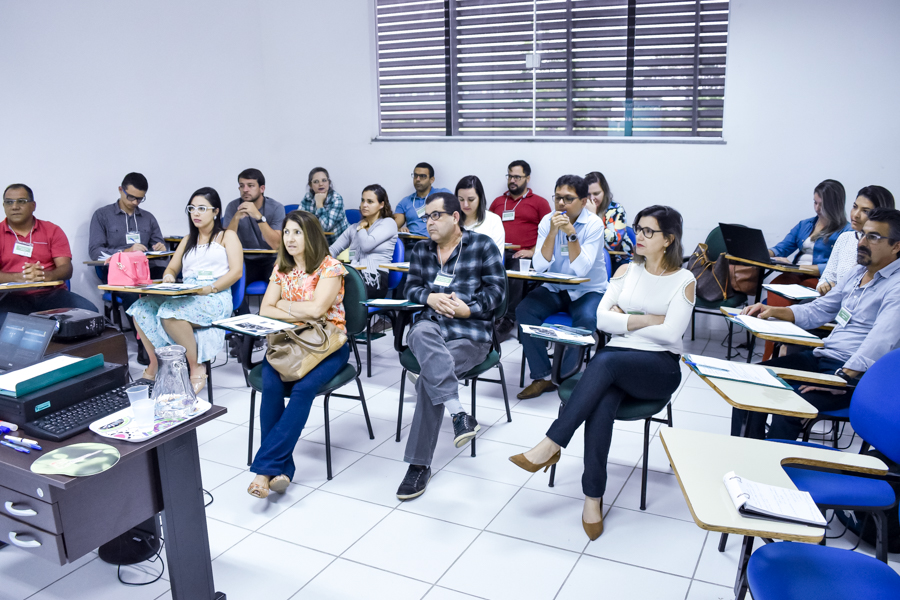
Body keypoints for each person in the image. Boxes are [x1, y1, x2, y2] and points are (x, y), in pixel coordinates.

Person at [509, 205, 695, 540]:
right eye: (638, 228)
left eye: (648, 231)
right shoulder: (627, 270)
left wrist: (626, 320)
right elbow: (600, 319)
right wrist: (649, 319)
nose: (638, 235)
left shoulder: (684, 280)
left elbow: (671, 336)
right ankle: (592, 498)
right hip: (619, 360)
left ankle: (551, 443)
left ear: (668, 240)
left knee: (604, 362)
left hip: (659, 367)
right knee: (603, 398)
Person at [732, 208, 900, 441]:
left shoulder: (897, 286)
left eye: (873, 237)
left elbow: (881, 341)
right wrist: (774, 310)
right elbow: (820, 309)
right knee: (749, 381)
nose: (862, 242)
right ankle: (746, 455)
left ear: (896, 246)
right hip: (824, 357)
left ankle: (771, 471)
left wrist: (842, 378)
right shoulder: (857, 273)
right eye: (862, 234)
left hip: (856, 377)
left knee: (787, 406)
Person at [395, 192, 505, 501]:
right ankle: (459, 413)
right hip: (431, 328)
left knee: (429, 379)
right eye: (425, 216)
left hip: (470, 333)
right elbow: (412, 287)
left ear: (455, 217)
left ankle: (418, 465)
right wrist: (429, 297)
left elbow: (498, 292)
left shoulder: (482, 246)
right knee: (418, 334)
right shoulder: (421, 250)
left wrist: (468, 309)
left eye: (434, 216)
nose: (427, 222)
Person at [247, 210, 350, 499]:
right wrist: (293, 308)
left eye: (297, 232)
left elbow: (319, 311)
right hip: (287, 344)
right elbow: (265, 309)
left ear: (311, 236)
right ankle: (282, 469)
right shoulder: (282, 267)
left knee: (304, 388)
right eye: (287, 232)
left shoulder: (330, 267)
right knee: (271, 384)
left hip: (327, 344)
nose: (290, 239)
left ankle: (263, 471)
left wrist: (284, 305)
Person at [128, 188, 243, 393]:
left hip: (215, 296)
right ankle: (155, 364)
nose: (196, 213)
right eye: (192, 208)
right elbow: (172, 267)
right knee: (140, 308)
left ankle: (195, 367)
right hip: (189, 294)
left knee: (169, 313)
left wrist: (210, 288)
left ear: (215, 211)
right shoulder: (188, 239)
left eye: (202, 208)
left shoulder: (227, 236)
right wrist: (169, 276)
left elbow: (235, 272)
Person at [516, 175, 609, 399]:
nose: (561, 204)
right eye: (557, 197)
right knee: (524, 311)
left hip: (589, 290)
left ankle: (566, 377)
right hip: (556, 288)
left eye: (568, 199)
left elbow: (581, 270)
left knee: (586, 320)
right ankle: (542, 377)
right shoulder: (548, 220)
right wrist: (552, 232)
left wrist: (570, 233)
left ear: (584, 200)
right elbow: (539, 266)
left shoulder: (594, 224)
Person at [763, 179, 851, 358]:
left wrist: (805, 267)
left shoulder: (846, 231)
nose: (817, 208)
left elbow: (842, 265)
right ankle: (774, 350)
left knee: (785, 301)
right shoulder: (805, 224)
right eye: (815, 202)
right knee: (775, 289)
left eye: (822, 204)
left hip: (821, 280)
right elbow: (782, 247)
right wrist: (766, 252)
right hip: (794, 274)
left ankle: (781, 351)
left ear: (834, 205)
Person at [88, 172, 167, 365]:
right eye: (131, 197)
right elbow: (95, 252)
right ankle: (145, 344)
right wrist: (127, 250)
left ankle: (166, 339)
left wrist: (160, 247)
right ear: (120, 190)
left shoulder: (148, 218)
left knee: (170, 283)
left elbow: (160, 243)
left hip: (146, 269)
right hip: (120, 272)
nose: (135, 202)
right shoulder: (102, 215)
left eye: (140, 198)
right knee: (134, 293)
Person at [0, 183, 98, 327]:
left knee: (91, 314)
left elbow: (66, 268)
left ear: (33, 205)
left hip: (51, 295)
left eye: (21, 201)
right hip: (13, 296)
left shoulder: (52, 230)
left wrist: (45, 276)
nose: (14, 206)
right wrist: (22, 278)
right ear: (4, 205)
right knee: (5, 328)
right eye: (9, 202)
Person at [488, 160, 552, 338]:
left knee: (515, 267)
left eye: (517, 176)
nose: (512, 180)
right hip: (498, 252)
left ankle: (507, 319)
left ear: (527, 178)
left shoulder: (539, 203)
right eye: (510, 176)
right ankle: (485, 313)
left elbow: (549, 233)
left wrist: (533, 251)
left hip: (524, 254)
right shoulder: (498, 202)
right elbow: (488, 226)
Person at [223, 168, 285, 314]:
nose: (245, 190)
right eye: (241, 185)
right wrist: (236, 218)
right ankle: (244, 326)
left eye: (250, 186)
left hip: (270, 259)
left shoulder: (276, 208)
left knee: (281, 287)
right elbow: (226, 240)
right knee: (229, 285)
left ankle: (267, 320)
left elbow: (276, 244)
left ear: (262, 188)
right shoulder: (233, 207)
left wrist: (258, 216)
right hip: (244, 260)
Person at [817, 186, 894, 295]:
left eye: (865, 211)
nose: (855, 215)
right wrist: (824, 286)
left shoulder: (884, 245)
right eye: (855, 207)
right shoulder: (845, 238)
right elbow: (828, 276)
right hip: (832, 303)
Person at [329, 184, 398, 299]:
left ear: (381, 204)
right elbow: (333, 249)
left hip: (376, 279)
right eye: (363, 201)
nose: (364, 205)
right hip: (354, 275)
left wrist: (361, 228)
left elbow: (366, 245)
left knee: (334, 290)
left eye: (370, 202)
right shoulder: (353, 228)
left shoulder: (388, 223)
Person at [393, 162, 451, 236]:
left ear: (431, 179)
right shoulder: (405, 202)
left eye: (422, 176)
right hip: (412, 244)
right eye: (415, 175)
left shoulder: (443, 194)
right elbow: (393, 227)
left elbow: (454, 218)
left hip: (436, 243)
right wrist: (400, 230)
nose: (418, 179)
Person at [584, 171, 633, 256]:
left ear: (604, 192)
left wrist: (594, 217)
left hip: (618, 257)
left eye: (596, 194)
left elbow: (613, 243)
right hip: (591, 256)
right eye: (588, 194)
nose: (592, 198)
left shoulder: (616, 209)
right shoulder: (582, 209)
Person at [456, 175, 504, 256]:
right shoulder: (451, 220)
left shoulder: (493, 220)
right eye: (461, 199)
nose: (465, 204)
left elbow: (495, 257)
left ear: (480, 198)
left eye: (471, 199)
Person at [299, 167, 350, 238]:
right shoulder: (307, 197)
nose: (320, 184)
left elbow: (325, 228)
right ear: (310, 185)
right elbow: (298, 222)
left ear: (329, 182)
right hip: (316, 241)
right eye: (316, 181)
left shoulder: (336, 199)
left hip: (339, 243)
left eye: (324, 180)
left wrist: (319, 204)